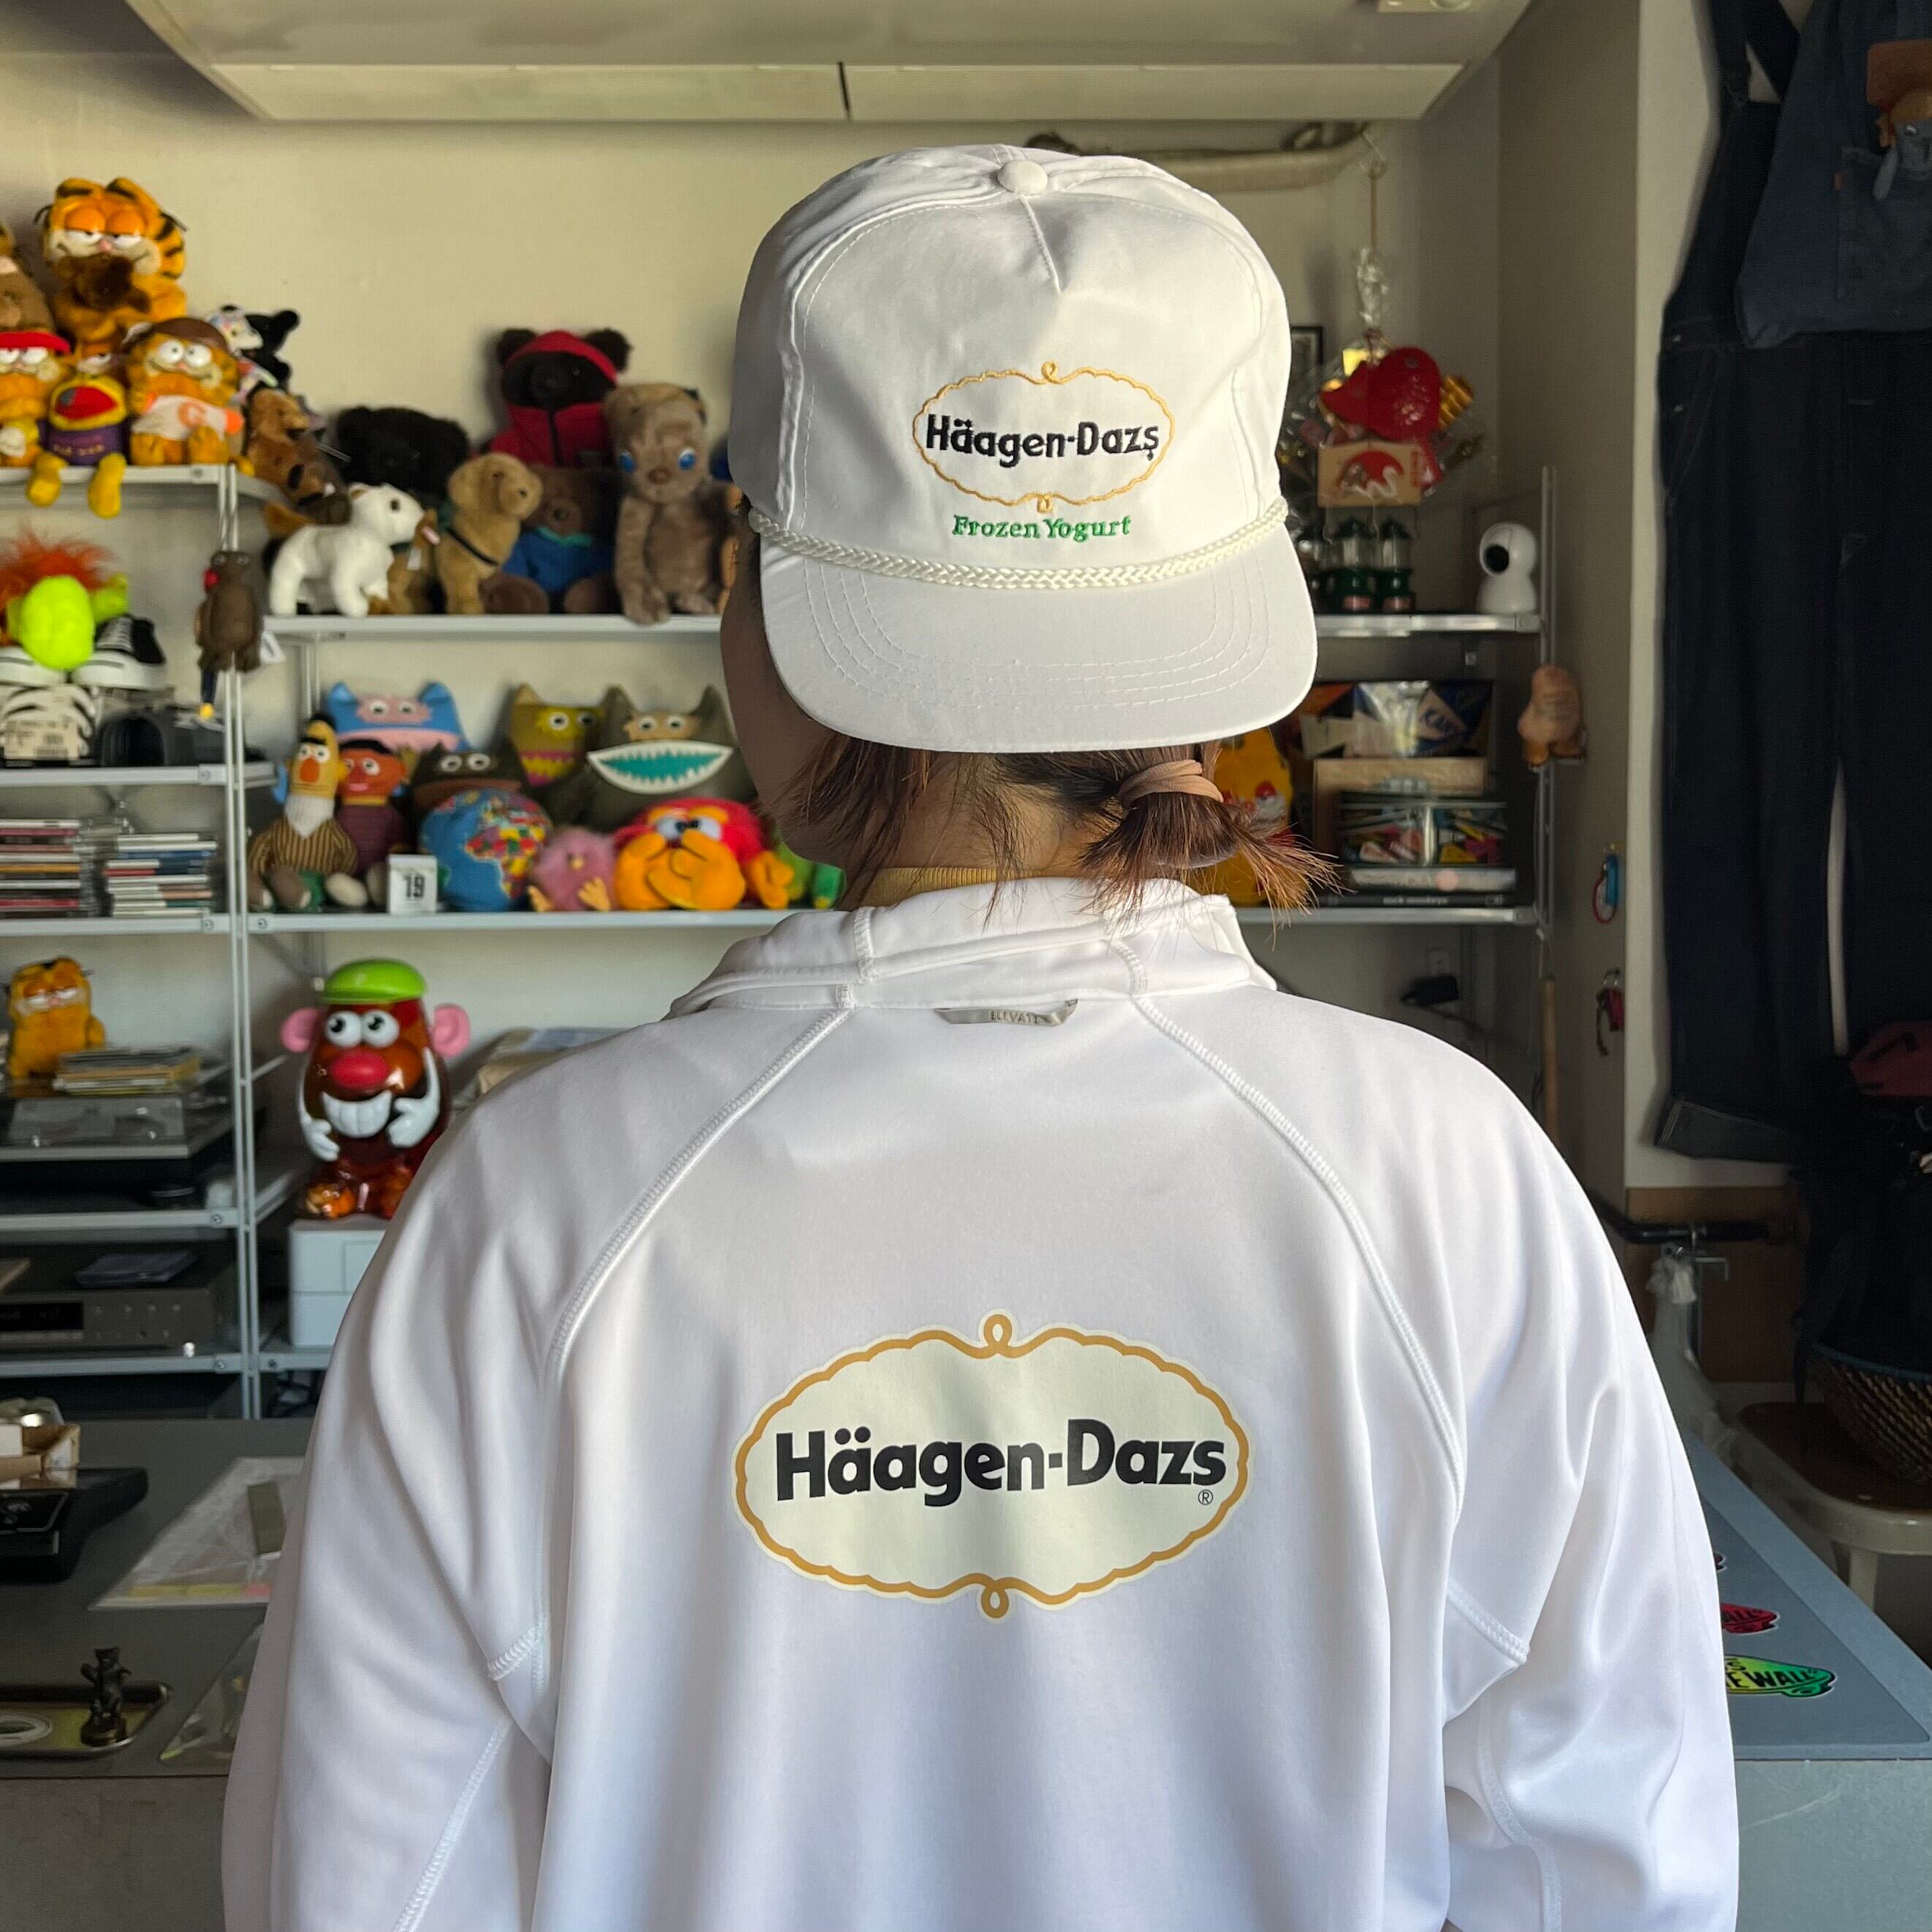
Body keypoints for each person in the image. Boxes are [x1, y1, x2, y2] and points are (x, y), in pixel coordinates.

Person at [225, 146, 1738, 1931]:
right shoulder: (1446, 1169)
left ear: (758, 610)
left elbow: (368, 1879)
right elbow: (1609, 1863)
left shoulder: (540, 1199)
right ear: (1213, 650)